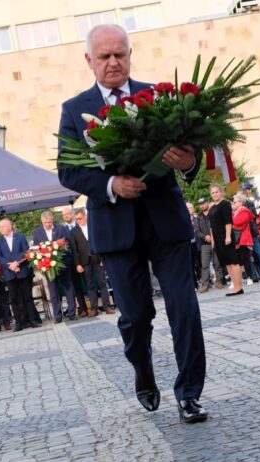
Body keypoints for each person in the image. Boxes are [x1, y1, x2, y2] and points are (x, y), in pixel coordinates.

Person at [57, 23, 208, 423]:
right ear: (89, 60)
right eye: (104, 56)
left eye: (119, 54)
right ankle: (144, 375)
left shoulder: (157, 97)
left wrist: (188, 160)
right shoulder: (74, 111)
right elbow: (68, 171)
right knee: (136, 318)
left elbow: (194, 155)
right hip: (115, 229)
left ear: (130, 53)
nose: (113, 62)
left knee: (184, 307)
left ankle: (189, 393)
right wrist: (110, 184)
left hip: (166, 224)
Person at [0, 218, 43, 330]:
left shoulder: (20, 237)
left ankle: (32, 320)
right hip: (9, 274)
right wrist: (10, 266)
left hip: (22, 272)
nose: (0, 229)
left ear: (9, 226)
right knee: (14, 299)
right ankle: (18, 323)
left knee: (28, 297)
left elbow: (25, 252)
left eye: (2, 226)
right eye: (0, 227)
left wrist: (17, 263)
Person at [32, 211, 80, 323]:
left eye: (50, 222)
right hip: (48, 266)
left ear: (52, 220)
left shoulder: (61, 228)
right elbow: (35, 247)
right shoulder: (37, 232)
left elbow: (67, 243)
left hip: (63, 263)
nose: (48, 224)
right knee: (53, 290)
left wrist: (58, 250)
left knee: (68, 288)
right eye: (46, 222)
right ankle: (57, 316)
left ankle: (72, 313)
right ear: (42, 221)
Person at [209, 184, 244, 295]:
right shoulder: (212, 207)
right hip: (217, 238)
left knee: (233, 261)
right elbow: (212, 225)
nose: (215, 194)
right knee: (227, 263)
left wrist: (228, 236)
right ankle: (234, 286)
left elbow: (228, 222)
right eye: (213, 192)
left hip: (226, 236)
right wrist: (213, 240)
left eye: (216, 192)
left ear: (221, 192)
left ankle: (239, 287)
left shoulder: (225, 204)